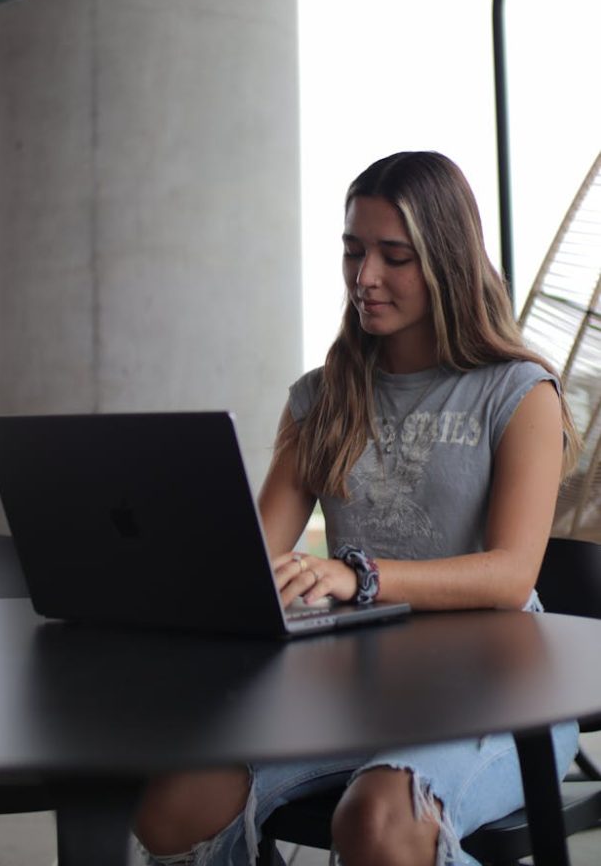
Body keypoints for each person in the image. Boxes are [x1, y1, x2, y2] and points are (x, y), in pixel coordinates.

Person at [132, 151, 580, 866]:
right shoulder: (321, 397)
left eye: (393, 256)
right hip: (351, 690)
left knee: (377, 821)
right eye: (352, 251)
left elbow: (509, 574)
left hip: (500, 693)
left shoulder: (518, 392)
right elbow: (255, 564)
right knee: (172, 804)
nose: (364, 277)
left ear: (446, 261)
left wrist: (356, 574)